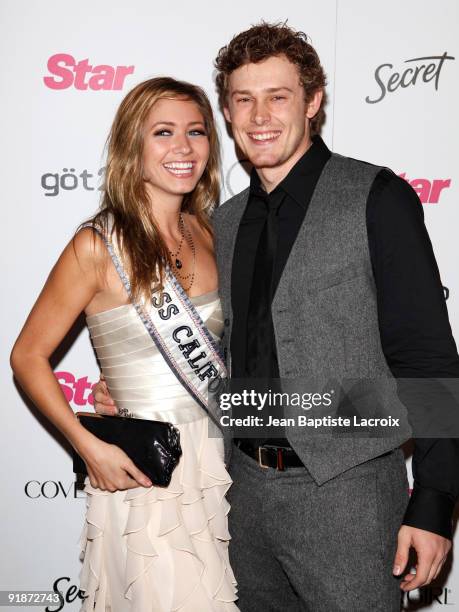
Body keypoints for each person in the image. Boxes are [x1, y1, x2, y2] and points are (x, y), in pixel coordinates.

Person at [93, 23, 459, 611]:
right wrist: (138, 392)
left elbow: (429, 360)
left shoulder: (377, 198)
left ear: (313, 103)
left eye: (278, 96)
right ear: (229, 114)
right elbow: (221, 355)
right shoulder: (224, 224)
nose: (260, 115)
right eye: (243, 99)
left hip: (351, 498)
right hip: (242, 500)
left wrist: (436, 500)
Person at [10, 77, 238, 612]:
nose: (183, 148)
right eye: (163, 132)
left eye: (196, 132)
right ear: (131, 146)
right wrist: (87, 444)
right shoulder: (96, 245)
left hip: (221, 464)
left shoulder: (209, 232)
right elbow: (27, 356)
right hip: (145, 473)